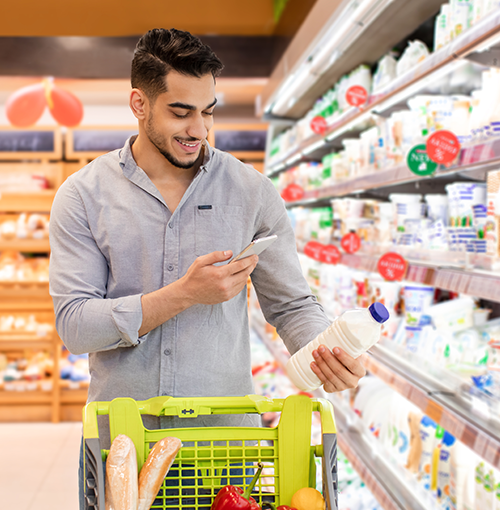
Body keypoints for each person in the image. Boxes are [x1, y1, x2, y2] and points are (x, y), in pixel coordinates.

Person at [49, 28, 366, 507]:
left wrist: (328, 352)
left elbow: (293, 303)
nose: (198, 128)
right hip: (124, 450)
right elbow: (75, 326)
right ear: (139, 104)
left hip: (225, 450)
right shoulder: (83, 196)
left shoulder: (251, 192)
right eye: (181, 112)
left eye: (208, 111)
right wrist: (184, 293)